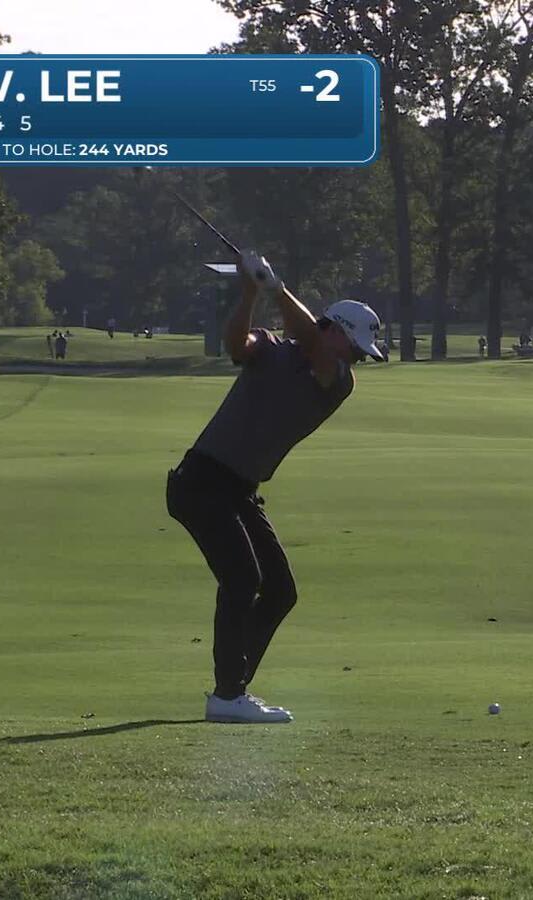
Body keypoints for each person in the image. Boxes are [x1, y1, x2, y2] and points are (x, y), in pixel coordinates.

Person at [166, 250, 386, 725]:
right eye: (354, 348)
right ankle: (228, 696)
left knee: (280, 590)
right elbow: (236, 345)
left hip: (240, 488)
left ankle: (233, 688)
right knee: (243, 579)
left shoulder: (338, 381)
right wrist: (250, 293)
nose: (356, 360)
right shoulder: (271, 348)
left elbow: (313, 342)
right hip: (201, 479)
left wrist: (276, 288)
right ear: (336, 330)